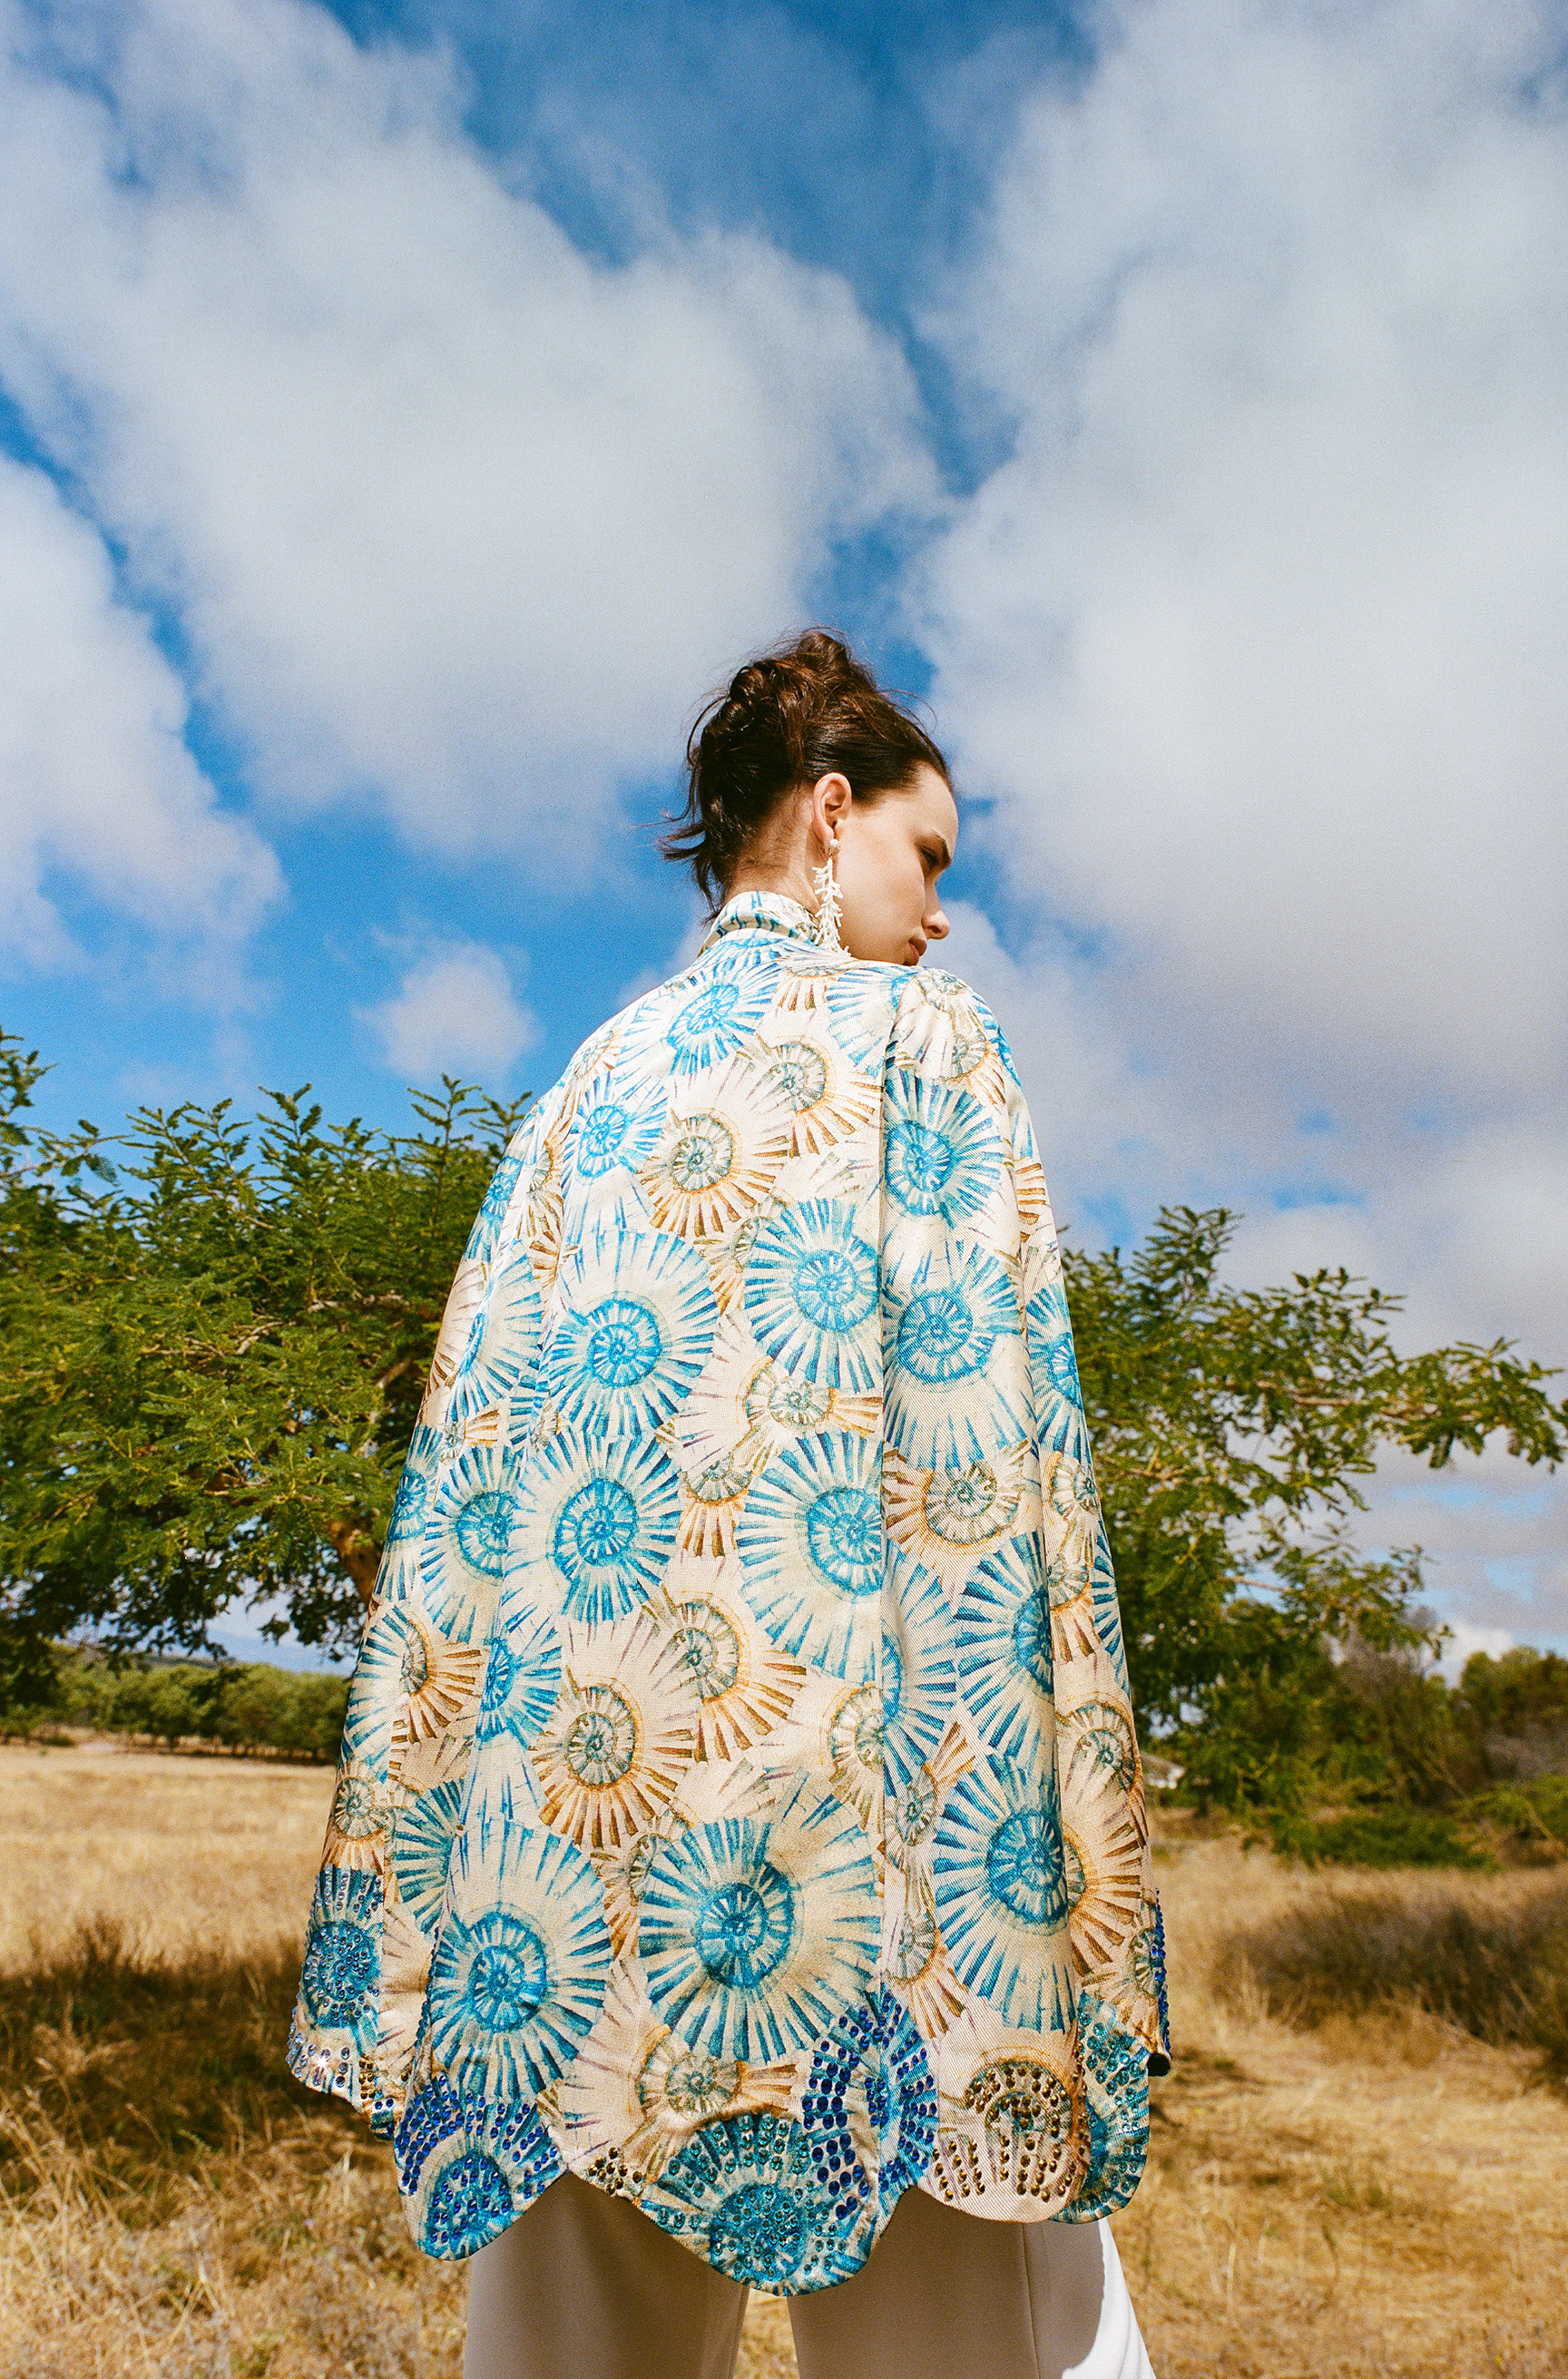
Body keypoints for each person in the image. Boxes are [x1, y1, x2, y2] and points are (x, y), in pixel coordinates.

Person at [288, 630, 1169, 2379]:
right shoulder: (925, 1041)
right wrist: (1023, 1882)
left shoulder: (580, 1090)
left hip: (559, 1881)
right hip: (877, 1892)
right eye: (929, 856)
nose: (940, 913)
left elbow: (472, 1492)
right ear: (832, 813)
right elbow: (986, 1484)